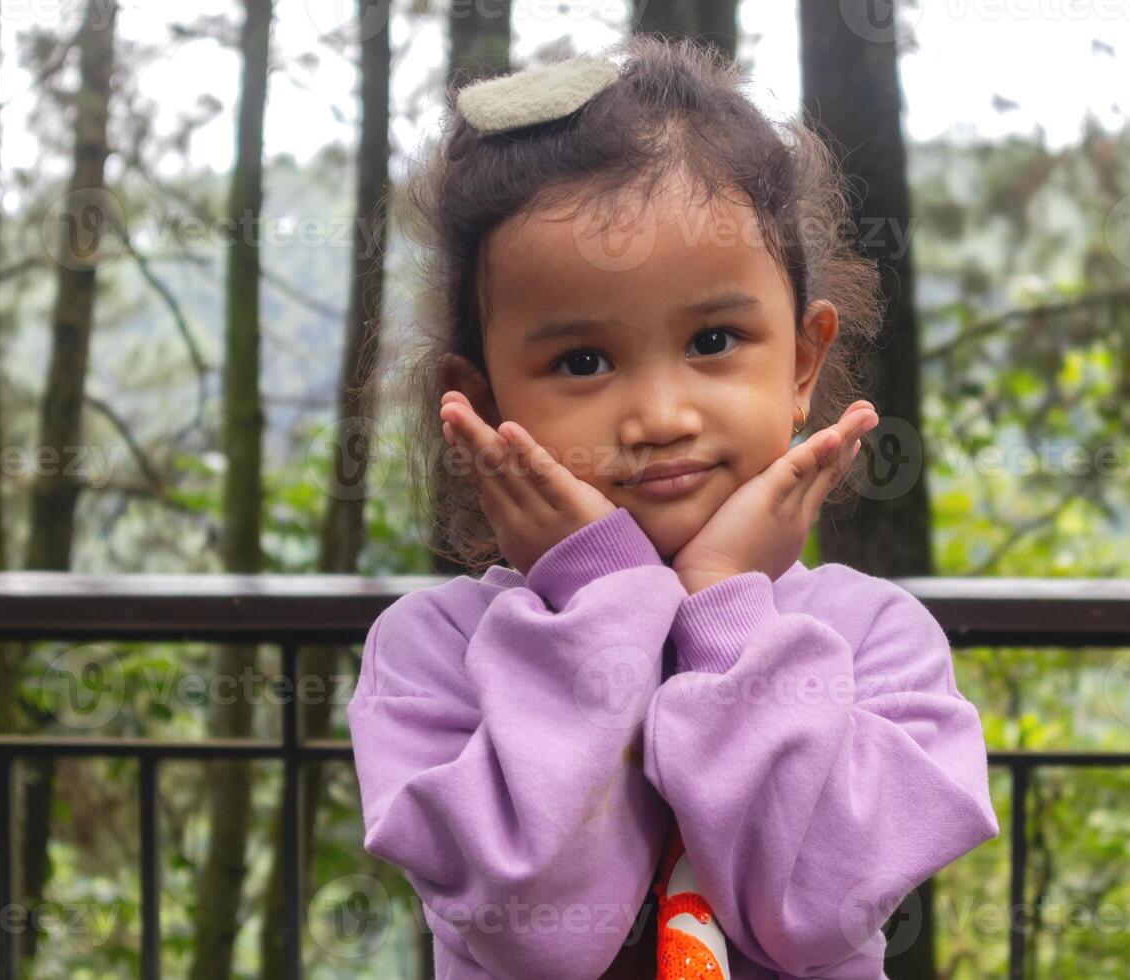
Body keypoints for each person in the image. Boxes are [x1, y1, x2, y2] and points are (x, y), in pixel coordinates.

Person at [348, 33, 999, 980]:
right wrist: (601, 603)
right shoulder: (430, 658)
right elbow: (538, 937)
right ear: (483, 404)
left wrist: (727, 607)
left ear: (802, 363)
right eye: (582, 361)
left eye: (714, 338)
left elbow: (808, 915)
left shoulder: (878, 646)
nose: (659, 416)